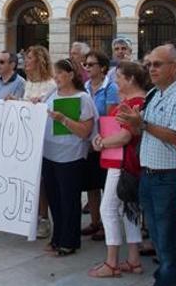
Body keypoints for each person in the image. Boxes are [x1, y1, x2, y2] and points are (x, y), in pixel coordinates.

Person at [116, 43, 176, 286]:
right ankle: (163, 284)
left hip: (169, 177)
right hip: (150, 174)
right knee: (156, 236)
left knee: (167, 240)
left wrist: (141, 124)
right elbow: (146, 130)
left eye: (157, 64)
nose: (151, 68)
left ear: (174, 67)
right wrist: (134, 123)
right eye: (149, 64)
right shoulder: (155, 93)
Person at [88, 61, 147, 278]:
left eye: (119, 77)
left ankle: (111, 262)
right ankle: (133, 259)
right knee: (129, 210)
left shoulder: (134, 102)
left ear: (131, 79)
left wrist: (102, 142)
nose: (116, 81)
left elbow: (124, 136)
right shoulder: (141, 100)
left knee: (108, 209)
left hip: (122, 162)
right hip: (132, 163)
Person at [43, 58, 96, 257]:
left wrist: (64, 119)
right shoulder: (51, 93)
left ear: (71, 75)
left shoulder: (83, 98)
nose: (55, 77)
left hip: (71, 157)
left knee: (69, 200)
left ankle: (69, 240)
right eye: (54, 73)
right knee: (54, 199)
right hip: (49, 154)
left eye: (59, 73)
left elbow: (85, 131)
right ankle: (57, 237)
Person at [81, 50, 119, 241]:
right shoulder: (85, 86)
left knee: (105, 184)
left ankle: (106, 224)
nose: (87, 68)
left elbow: (110, 116)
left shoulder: (111, 88)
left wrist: (101, 140)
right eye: (85, 64)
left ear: (102, 68)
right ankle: (95, 221)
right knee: (91, 185)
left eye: (90, 64)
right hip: (88, 141)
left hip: (105, 142)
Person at [23, 45, 56, 239]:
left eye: (29, 57)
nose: (26, 61)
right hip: (28, 138)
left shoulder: (50, 84)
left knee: (41, 181)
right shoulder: (28, 83)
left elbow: (47, 109)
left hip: (43, 139)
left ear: (39, 60)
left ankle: (44, 218)